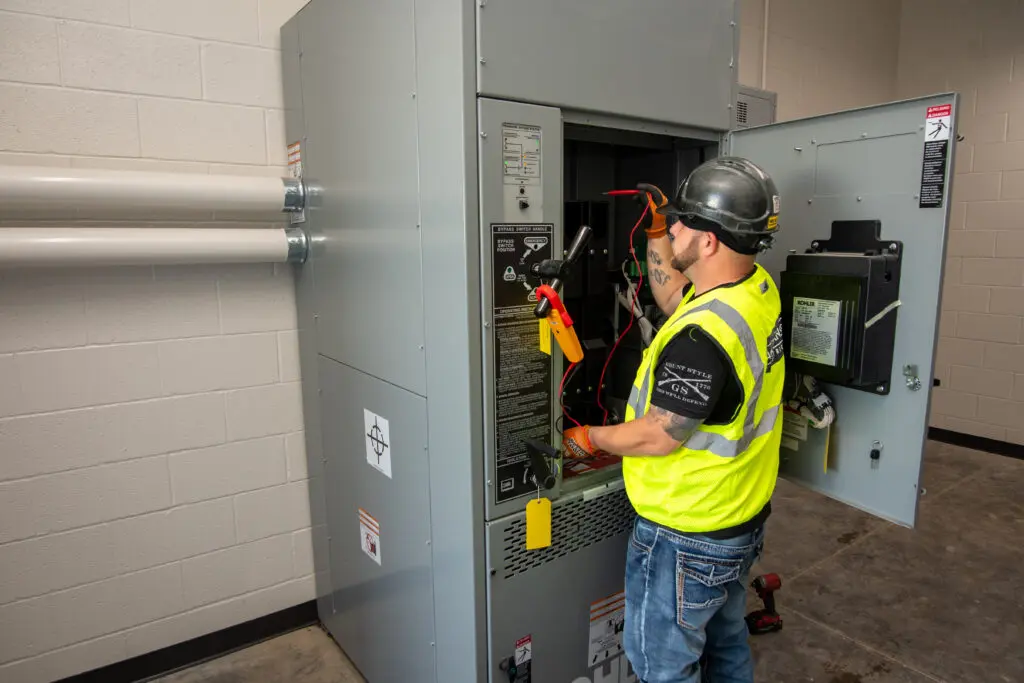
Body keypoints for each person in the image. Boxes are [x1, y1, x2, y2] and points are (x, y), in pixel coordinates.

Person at [562, 157, 785, 683]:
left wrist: (584, 438)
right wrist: (659, 232)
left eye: (685, 222)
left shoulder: (703, 340)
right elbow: (671, 296)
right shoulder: (754, 291)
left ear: (709, 242)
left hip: (686, 536)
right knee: (726, 643)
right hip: (737, 518)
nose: (675, 226)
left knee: (661, 666)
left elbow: (659, 435)